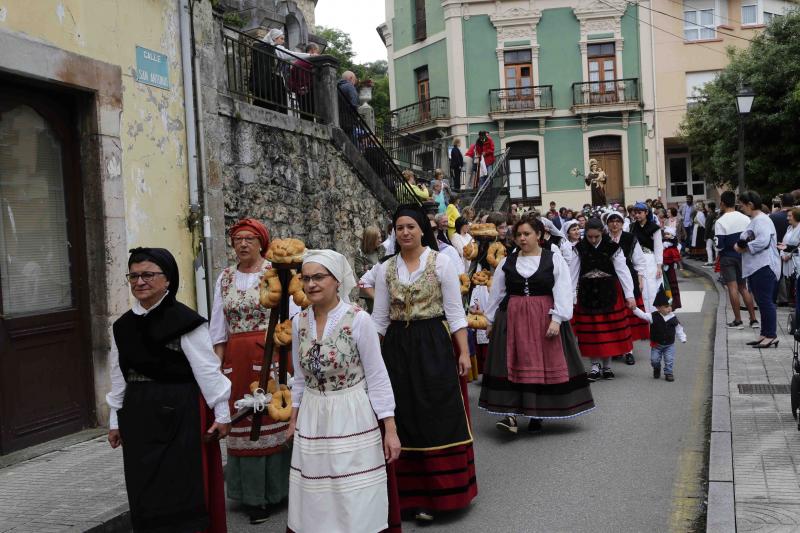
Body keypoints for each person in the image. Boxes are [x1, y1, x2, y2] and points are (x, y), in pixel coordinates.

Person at [107, 247, 230, 532]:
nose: (140, 282)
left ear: (168, 279)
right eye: (134, 276)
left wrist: (221, 414)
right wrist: (115, 421)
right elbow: (118, 376)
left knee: (180, 488)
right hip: (137, 416)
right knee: (143, 489)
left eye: (148, 275)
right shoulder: (122, 327)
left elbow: (208, 371)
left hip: (180, 415)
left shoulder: (186, 322)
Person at [372, 204, 477, 523]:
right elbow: (378, 318)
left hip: (432, 341)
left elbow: (455, 312)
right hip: (397, 347)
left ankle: (442, 495)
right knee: (402, 414)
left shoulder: (440, 262)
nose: (405, 232)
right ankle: (405, 496)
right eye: (399, 227)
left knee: (436, 413)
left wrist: (462, 352)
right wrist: (369, 357)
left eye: (410, 227)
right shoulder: (385, 269)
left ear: (422, 230)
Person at [287, 250, 401, 533]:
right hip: (313, 415)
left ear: (337, 281)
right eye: (306, 278)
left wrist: (390, 427)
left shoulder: (358, 320)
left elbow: (377, 375)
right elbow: (299, 379)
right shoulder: (298, 323)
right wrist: (293, 418)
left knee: (352, 493)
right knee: (316, 494)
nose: (311, 284)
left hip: (351, 413)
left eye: (319, 277)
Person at [479, 215, 594, 433]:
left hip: (543, 317)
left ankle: (537, 414)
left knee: (539, 365)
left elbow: (562, 289)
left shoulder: (553, 259)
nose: (522, 238)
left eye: (527, 234)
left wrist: (557, 319)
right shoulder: (507, 262)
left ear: (539, 235)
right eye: (519, 235)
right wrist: (490, 320)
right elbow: (497, 293)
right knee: (511, 363)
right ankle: (510, 415)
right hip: (512, 318)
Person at [209, 219, 290, 524]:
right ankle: (249, 494)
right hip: (236, 358)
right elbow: (218, 327)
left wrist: (286, 357)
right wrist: (216, 366)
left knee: (269, 419)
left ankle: (273, 493)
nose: (242, 244)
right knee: (241, 422)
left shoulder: (275, 273)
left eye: (249, 239)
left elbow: (289, 319)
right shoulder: (225, 278)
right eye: (237, 239)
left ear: (261, 243)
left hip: (271, 352)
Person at [570, 218, 636, 381]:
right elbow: (572, 274)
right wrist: (571, 296)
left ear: (602, 233)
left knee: (608, 331)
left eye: (596, 237)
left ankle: (606, 367)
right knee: (591, 332)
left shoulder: (613, 248)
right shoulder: (579, 248)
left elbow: (623, 270)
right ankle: (594, 366)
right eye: (590, 237)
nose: (593, 240)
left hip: (609, 292)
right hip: (587, 294)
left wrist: (630, 295)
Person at [735, 190, 781, 348]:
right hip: (757, 267)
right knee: (761, 302)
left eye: (742, 205)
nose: (741, 208)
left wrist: (744, 247)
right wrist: (742, 245)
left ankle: (771, 335)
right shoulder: (755, 220)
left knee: (766, 301)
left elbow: (763, 241)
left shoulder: (761, 220)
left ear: (750, 204)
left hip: (764, 266)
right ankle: (765, 333)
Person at [606, 211, 649, 364]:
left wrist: (640, 279)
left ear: (622, 223)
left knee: (628, 314)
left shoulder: (630, 238)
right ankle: (617, 348)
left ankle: (629, 351)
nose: (615, 224)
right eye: (611, 221)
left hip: (627, 277)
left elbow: (639, 261)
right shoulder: (604, 239)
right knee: (614, 316)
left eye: (618, 221)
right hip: (609, 280)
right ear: (607, 223)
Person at [714, 191, 758, 329]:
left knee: (732, 288)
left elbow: (719, 245)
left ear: (722, 203)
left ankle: (738, 320)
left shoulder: (720, 221)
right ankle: (753, 319)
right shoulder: (745, 218)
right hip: (743, 256)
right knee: (743, 288)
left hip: (727, 257)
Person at [633, 285, 687, 382]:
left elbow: (679, 328)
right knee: (654, 360)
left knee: (669, 360)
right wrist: (634, 309)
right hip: (656, 344)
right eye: (666, 307)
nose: (669, 309)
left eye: (670, 306)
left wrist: (682, 337)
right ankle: (656, 368)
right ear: (658, 308)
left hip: (669, 345)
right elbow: (642, 315)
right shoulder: (652, 316)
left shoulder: (672, 317)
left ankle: (668, 373)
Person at [355, 226, 386, 313]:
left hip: (383, 286)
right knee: (375, 312)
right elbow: (360, 273)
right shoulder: (360, 253)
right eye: (378, 238)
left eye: (381, 237)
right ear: (371, 239)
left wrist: (369, 267)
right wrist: (376, 268)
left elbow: (386, 266)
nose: (381, 240)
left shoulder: (382, 249)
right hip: (369, 289)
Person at [778, 208, 800, 312]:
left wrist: (788, 255)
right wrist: (782, 254)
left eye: (790, 216)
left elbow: (797, 246)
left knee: (794, 281)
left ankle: (795, 303)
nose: (787, 218)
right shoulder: (789, 228)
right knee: (789, 281)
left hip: (795, 260)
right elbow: (784, 242)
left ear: (796, 216)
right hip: (786, 258)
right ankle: (793, 302)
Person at [662, 226, 683, 310]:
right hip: (663, 268)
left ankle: (673, 304)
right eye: (665, 234)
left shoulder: (673, 247)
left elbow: (676, 258)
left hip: (670, 268)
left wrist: (679, 265)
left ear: (672, 235)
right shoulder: (663, 244)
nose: (666, 235)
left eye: (668, 234)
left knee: (671, 285)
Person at [704, 202, 718, 266]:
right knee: (716, 248)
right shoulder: (717, 214)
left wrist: (705, 237)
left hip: (710, 234)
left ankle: (710, 261)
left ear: (709, 208)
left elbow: (707, 227)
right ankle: (717, 261)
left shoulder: (709, 215)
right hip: (716, 233)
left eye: (707, 207)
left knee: (708, 247)